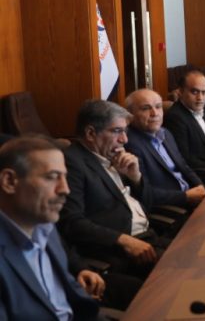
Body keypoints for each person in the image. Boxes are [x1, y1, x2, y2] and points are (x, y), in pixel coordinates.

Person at [59, 100, 166, 279]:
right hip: (120, 252)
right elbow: (72, 222)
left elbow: (149, 203)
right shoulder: (72, 163)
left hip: (149, 236)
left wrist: (135, 178)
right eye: (117, 131)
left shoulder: (113, 156)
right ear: (91, 133)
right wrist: (123, 240)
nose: (124, 139)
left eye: (125, 131)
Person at [0, 136, 102, 320]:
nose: (65, 189)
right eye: (52, 177)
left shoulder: (45, 227)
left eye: (65, 177)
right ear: (9, 181)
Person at [125, 89, 205, 209]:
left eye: (158, 107)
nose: (154, 113)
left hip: (193, 198)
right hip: (174, 208)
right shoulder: (129, 144)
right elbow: (145, 192)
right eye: (145, 108)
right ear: (130, 115)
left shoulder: (165, 133)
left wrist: (201, 187)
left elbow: (184, 167)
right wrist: (185, 196)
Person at [163, 71, 205, 181]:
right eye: (194, 92)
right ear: (181, 91)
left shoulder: (200, 110)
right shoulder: (176, 118)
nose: (200, 98)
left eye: (204, 92)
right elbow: (185, 159)